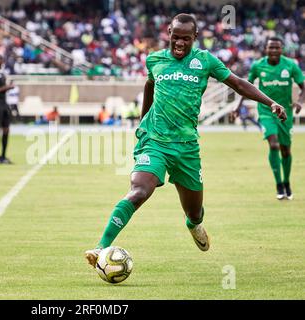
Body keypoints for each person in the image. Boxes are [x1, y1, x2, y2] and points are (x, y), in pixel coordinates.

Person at [84, 14, 286, 267]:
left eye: (185, 39)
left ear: (195, 38)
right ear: (168, 32)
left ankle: (194, 225)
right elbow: (150, 85)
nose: (179, 43)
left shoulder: (205, 61)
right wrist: (142, 120)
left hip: (187, 147)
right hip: (155, 141)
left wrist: (271, 102)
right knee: (138, 191)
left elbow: (238, 84)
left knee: (194, 211)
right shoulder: (155, 59)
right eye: (175, 37)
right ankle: (100, 247)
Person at [232, 37, 304, 200]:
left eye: (277, 48)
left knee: (286, 150)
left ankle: (286, 182)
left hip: (285, 114)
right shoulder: (258, 66)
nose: (273, 51)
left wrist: (299, 101)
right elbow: (246, 87)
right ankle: (278, 184)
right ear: (265, 49)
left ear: (281, 50)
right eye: (270, 48)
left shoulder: (291, 65)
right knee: (274, 144)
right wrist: (237, 106)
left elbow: (303, 87)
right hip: (266, 112)